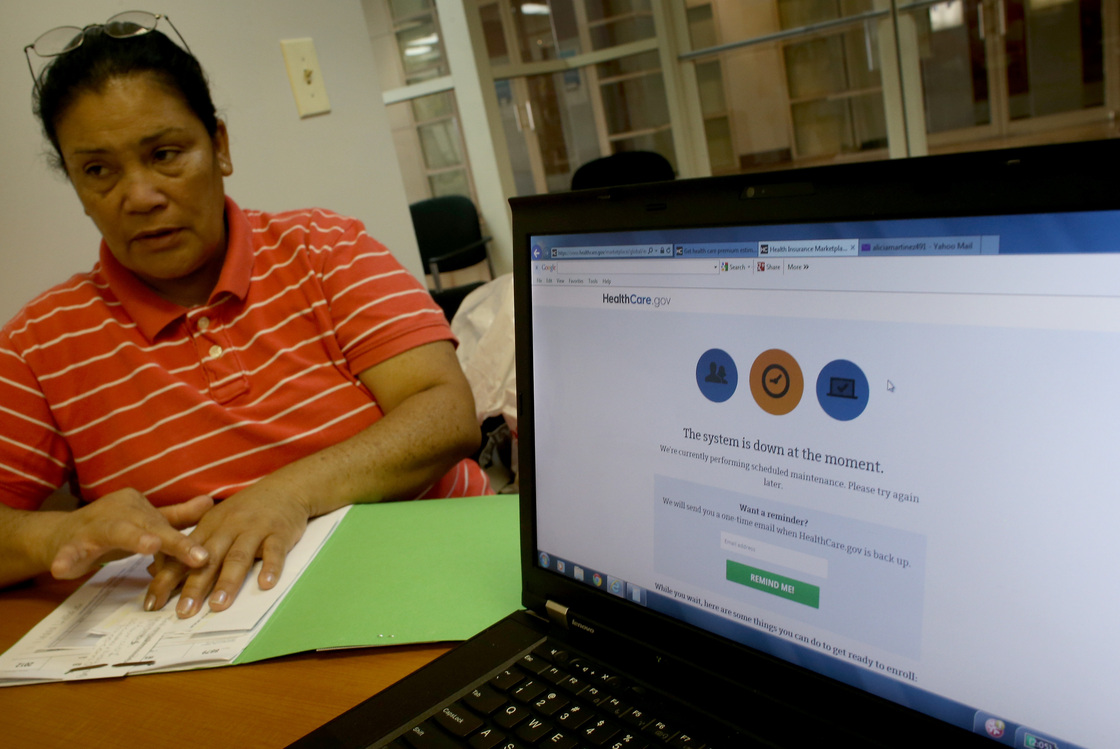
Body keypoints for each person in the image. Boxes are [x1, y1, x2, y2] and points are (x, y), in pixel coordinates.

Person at [1, 12, 490, 618]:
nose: (140, 195)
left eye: (165, 153)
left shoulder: (323, 249)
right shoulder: (38, 344)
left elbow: (446, 414)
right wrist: (58, 534)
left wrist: (287, 493)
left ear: (220, 147)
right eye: (98, 170)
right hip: (225, 630)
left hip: (441, 567)